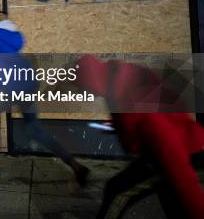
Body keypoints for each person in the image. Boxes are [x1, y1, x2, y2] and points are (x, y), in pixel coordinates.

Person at [0, 2, 90, 185]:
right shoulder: (13, 34)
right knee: (34, 130)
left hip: (12, 87)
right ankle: (76, 165)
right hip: (28, 83)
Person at [76, 55, 204, 219]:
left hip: (172, 152)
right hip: (157, 151)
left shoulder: (134, 99)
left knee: (177, 196)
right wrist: (120, 128)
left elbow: (173, 158)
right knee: (119, 188)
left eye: (84, 88)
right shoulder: (115, 81)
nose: (85, 93)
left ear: (91, 81)